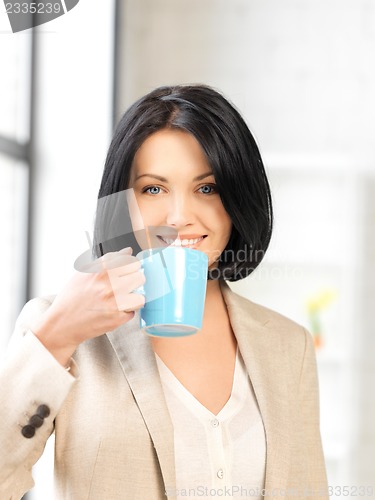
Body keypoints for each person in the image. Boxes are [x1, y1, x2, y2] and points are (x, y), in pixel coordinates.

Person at [0, 84, 328, 499]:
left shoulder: (287, 345)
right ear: (123, 203)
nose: (179, 217)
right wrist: (57, 335)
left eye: (206, 188)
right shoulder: (61, 328)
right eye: (153, 189)